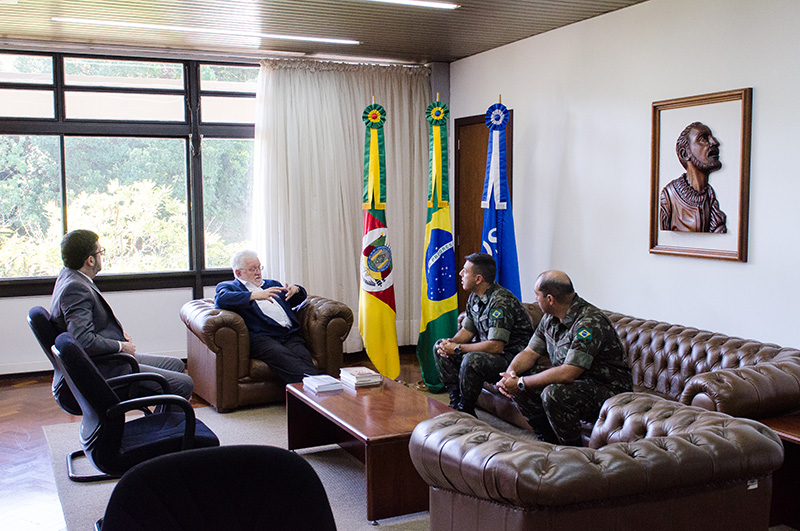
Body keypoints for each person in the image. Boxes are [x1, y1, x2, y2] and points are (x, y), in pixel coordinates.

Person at [50, 229, 193, 399]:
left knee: (175, 364)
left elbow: (85, 327)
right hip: (106, 369)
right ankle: (167, 423)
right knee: (185, 384)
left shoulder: (68, 276)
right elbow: (83, 340)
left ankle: (164, 423)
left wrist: (116, 336)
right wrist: (120, 346)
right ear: (90, 260)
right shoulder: (75, 288)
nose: (102, 256)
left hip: (106, 360)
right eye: (100, 252)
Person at [496, 271, 632, 446]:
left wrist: (521, 382)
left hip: (609, 389)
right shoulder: (550, 318)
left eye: (537, 295)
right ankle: (549, 441)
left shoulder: (588, 322)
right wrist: (511, 375)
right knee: (525, 378)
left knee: (553, 393)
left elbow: (569, 373)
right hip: (579, 383)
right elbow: (530, 352)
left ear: (550, 299)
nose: (535, 299)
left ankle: (573, 451)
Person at [434, 253, 534, 416]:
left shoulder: (500, 302)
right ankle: (455, 400)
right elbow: (467, 330)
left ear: (478, 279)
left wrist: (458, 348)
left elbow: (496, 346)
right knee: (439, 346)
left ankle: (466, 409)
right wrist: (449, 343)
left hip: (511, 359)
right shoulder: (475, 296)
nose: (460, 274)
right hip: (493, 354)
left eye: (465, 271)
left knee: (471, 359)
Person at [214, 250, 316, 384]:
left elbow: (293, 300)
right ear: (238, 273)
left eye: (259, 268)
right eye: (252, 269)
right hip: (262, 337)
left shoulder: (271, 284)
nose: (258, 272)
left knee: (304, 357)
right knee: (285, 359)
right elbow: (221, 299)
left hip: (288, 334)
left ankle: (313, 392)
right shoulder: (230, 287)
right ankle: (320, 387)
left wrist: (297, 289)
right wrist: (254, 295)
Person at [659, 121, 727, 233]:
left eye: (711, 137)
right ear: (685, 154)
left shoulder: (710, 196)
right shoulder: (669, 196)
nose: (714, 142)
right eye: (703, 138)